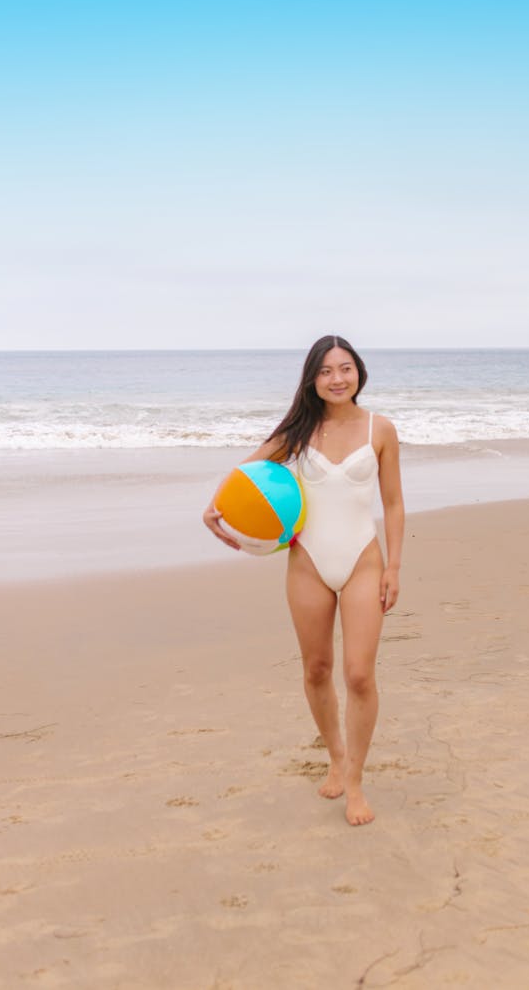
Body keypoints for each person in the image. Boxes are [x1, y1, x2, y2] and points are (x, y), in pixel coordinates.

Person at [203, 335, 404, 826]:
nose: (338, 378)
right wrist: (216, 513)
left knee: (359, 674)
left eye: (346, 368)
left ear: (359, 372)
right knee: (316, 668)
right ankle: (335, 757)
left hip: (363, 561)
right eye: (326, 371)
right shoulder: (299, 430)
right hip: (307, 561)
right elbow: (245, 475)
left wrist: (394, 566)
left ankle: (355, 781)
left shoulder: (380, 429)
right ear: (312, 379)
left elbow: (393, 503)